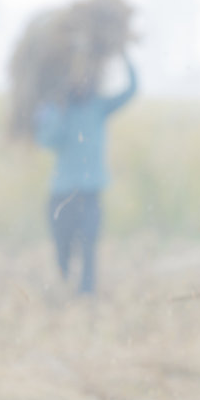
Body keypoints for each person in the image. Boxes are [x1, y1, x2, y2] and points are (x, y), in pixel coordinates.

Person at [33, 53, 137, 296]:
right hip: (61, 194)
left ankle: (86, 296)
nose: (81, 84)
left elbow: (131, 90)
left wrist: (123, 55)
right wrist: (55, 113)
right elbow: (46, 140)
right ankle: (64, 285)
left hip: (90, 193)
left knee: (89, 245)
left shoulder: (99, 107)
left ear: (92, 81)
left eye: (85, 79)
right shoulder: (58, 110)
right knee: (63, 247)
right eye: (76, 80)